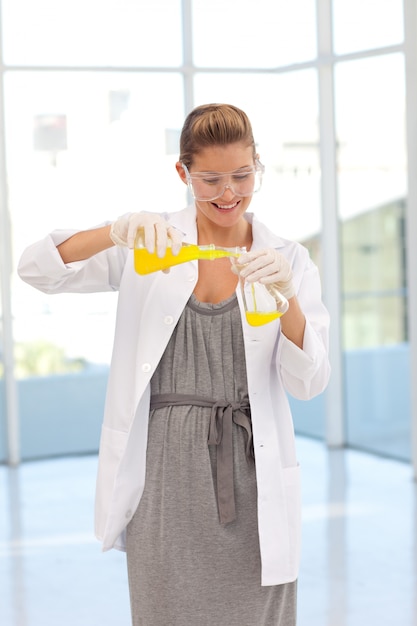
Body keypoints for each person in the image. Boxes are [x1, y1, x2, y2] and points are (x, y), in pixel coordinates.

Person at [18, 103, 330, 626]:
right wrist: (114, 232)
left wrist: (287, 296)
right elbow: (36, 270)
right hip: (164, 472)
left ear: (258, 166)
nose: (228, 193)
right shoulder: (152, 242)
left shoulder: (287, 259)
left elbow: (310, 381)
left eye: (242, 175)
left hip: (253, 471)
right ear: (183, 173)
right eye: (210, 179)